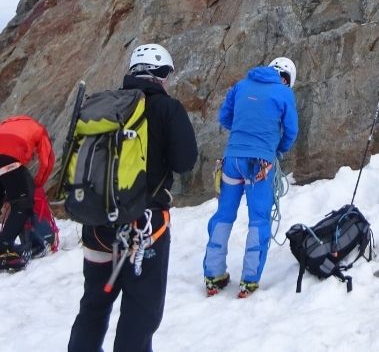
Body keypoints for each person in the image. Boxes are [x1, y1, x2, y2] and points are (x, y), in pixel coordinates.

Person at [68, 43, 198, 352]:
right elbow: (185, 161)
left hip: (97, 223)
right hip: (145, 227)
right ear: (162, 74)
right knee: (140, 312)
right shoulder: (168, 108)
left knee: (94, 305)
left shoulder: (104, 105)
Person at [203, 56, 298, 298]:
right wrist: (276, 149)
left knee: (224, 214)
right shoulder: (284, 93)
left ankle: (213, 274)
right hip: (261, 163)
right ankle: (249, 279)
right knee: (258, 219)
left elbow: (225, 117)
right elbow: (291, 131)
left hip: (232, 159)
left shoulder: (241, 85)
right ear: (288, 79)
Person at [0, 115, 55, 271]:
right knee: (23, 203)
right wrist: (37, 184)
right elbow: (47, 161)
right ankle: (3, 247)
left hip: (4, 160)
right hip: (8, 160)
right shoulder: (38, 129)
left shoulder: (6, 124)